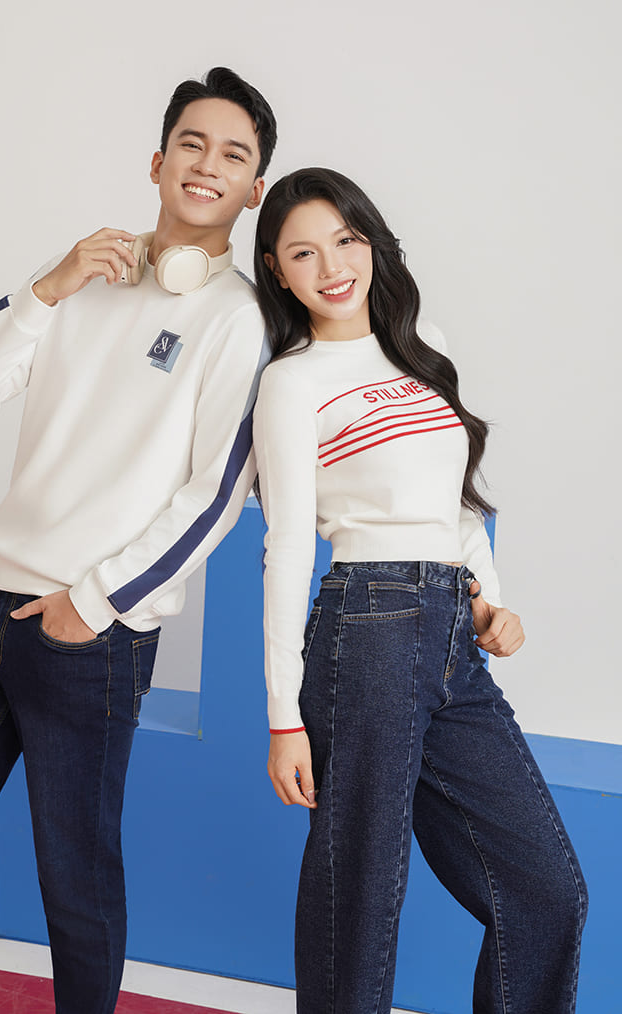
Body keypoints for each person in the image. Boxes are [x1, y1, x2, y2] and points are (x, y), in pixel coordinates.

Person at [0, 67, 276, 1014]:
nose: (207, 164)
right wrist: (47, 287)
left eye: (233, 155)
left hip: (91, 637)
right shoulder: (81, 277)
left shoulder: (237, 321)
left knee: (74, 887)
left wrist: (95, 604)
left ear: (253, 189)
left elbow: (214, 498)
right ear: (157, 161)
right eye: (192, 143)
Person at [252, 167, 587, 1014]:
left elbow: (458, 502)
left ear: (371, 241)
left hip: (449, 631)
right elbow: (286, 546)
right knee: (360, 903)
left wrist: (489, 596)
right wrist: (284, 717)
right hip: (365, 627)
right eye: (303, 252)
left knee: (547, 891)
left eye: (345, 239)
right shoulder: (292, 380)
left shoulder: (422, 345)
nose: (332, 265)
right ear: (278, 271)